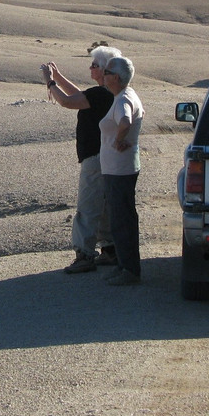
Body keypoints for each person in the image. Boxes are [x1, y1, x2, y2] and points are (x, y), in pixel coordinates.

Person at [40, 45, 122, 274]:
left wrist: (49, 82)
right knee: (104, 206)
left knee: (87, 207)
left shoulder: (100, 94)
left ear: (105, 70)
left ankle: (84, 254)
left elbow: (67, 101)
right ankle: (110, 249)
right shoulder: (108, 93)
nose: (91, 68)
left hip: (95, 158)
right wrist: (58, 77)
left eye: (95, 65)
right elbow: (78, 95)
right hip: (106, 157)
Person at [99, 56, 145, 286]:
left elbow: (125, 121)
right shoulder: (125, 95)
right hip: (120, 168)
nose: (103, 75)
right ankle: (125, 265)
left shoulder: (122, 100)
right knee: (122, 218)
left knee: (122, 220)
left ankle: (129, 270)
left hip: (119, 169)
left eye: (106, 71)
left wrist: (119, 139)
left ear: (116, 77)